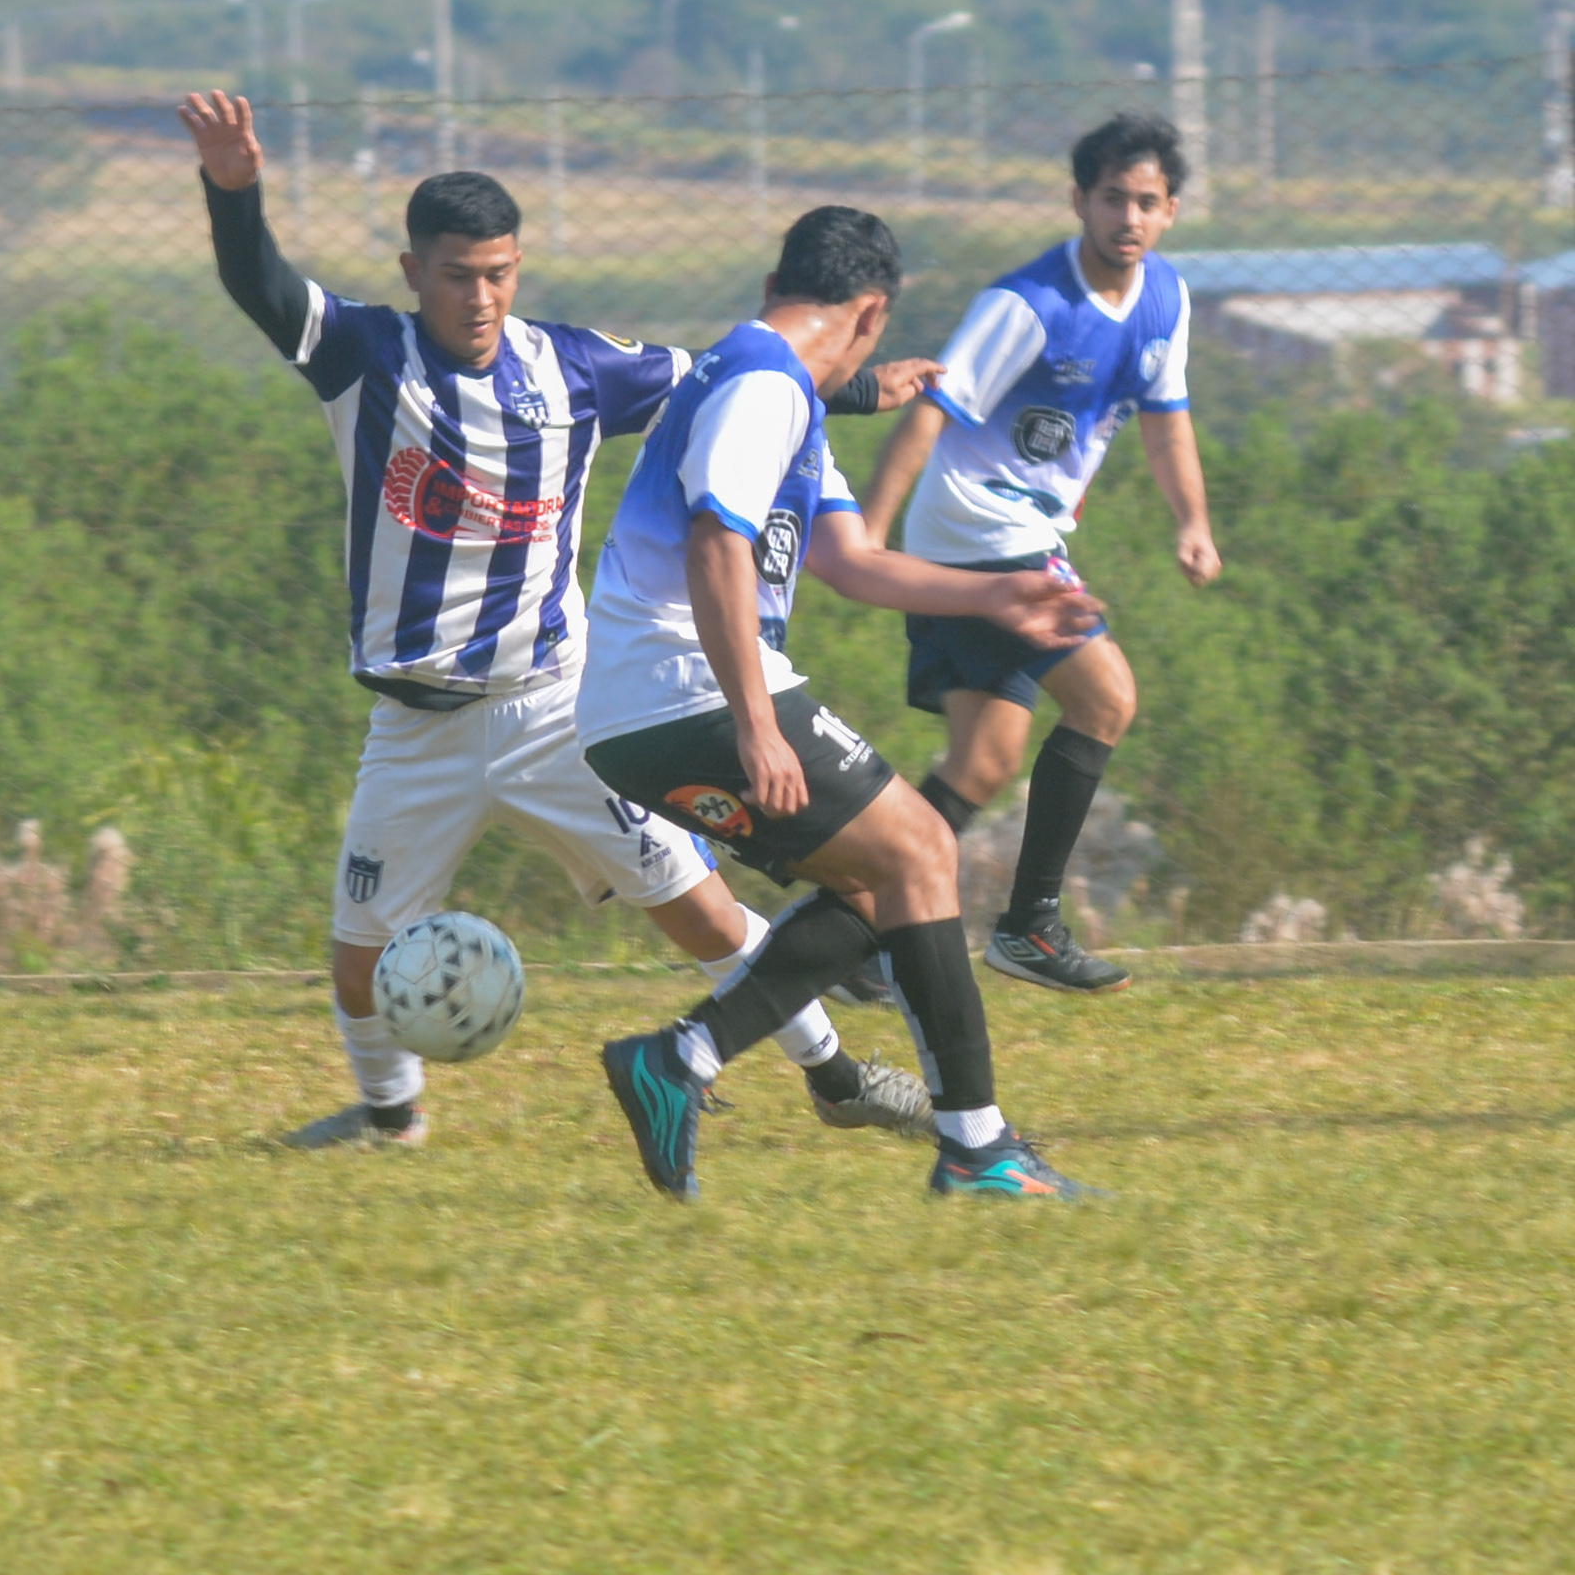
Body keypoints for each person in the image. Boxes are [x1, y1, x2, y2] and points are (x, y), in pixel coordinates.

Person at [177, 88, 942, 1150]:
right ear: (413, 273)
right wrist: (234, 192)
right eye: (456, 275)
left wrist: (854, 392)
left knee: (700, 911)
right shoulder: (364, 354)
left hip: (554, 711)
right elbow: (259, 284)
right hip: (416, 727)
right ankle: (390, 1118)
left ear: (518, 269)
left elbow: (728, 383)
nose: (479, 297)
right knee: (358, 958)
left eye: (498, 273)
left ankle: (838, 1077)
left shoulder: (575, 367)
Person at [576, 205, 1106, 1201]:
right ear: (870, 314)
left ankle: (679, 1061)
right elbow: (715, 547)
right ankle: (977, 1149)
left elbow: (852, 561)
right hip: (683, 687)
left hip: (647, 705)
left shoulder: (783, 396)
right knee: (924, 850)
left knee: (882, 887)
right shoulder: (762, 383)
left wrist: (998, 593)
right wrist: (754, 722)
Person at [861, 112, 1221, 996]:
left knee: (982, 764)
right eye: (1112, 199)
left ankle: (853, 935)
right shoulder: (1026, 304)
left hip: (1020, 535)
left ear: (1171, 211)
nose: (1128, 218)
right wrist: (867, 535)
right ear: (1079, 201)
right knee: (1107, 698)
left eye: (1146, 202)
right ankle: (1029, 927)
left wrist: (1193, 522)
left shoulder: (1166, 301)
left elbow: (1167, 423)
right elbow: (931, 412)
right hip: (979, 532)